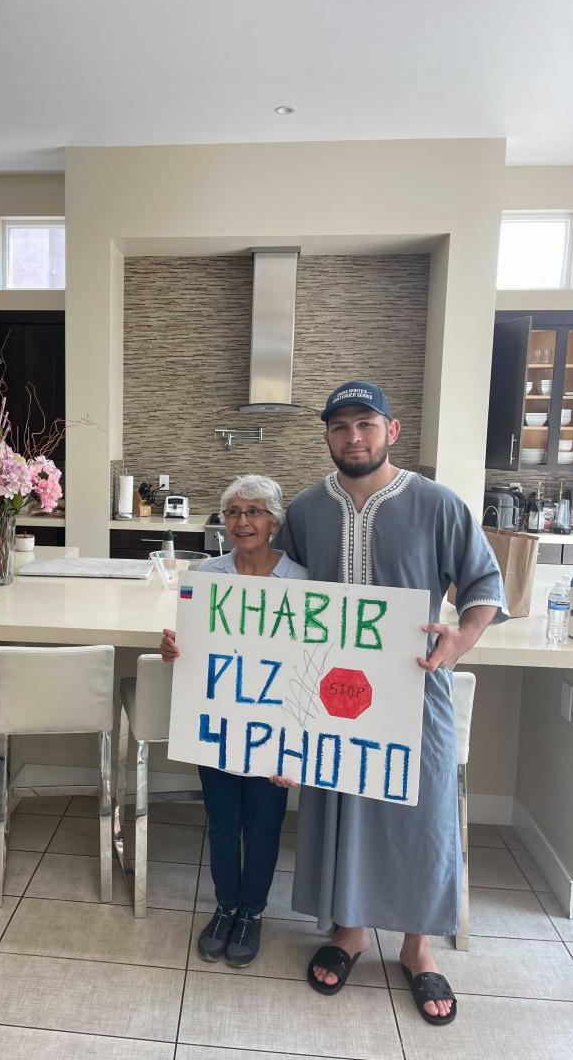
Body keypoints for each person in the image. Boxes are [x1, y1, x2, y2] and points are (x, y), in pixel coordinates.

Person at [273, 380, 506, 1028]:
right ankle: (349, 930)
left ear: (391, 431)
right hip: (329, 694)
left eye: (366, 425)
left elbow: (484, 581)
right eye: (341, 426)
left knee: (420, 812)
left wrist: (461, 637)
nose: (354, 438)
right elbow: (272, 600)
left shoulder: (437, 504)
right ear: (327, 435)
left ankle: (417, 945)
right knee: (342, 801)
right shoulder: (305, 510)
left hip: (413, 689)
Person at [160, 474, 308, 968]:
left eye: (255, 511)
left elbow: (315, 663)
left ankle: (253, 912)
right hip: (218, 726)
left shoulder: (303, 581)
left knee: (263, 824)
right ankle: (225, 907)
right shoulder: (205, 577)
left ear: (274, 521)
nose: (244, 521)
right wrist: (172, 649)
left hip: (275, 728)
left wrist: (302, 743)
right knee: (222, 822)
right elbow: (192, 649)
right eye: (234, 512)